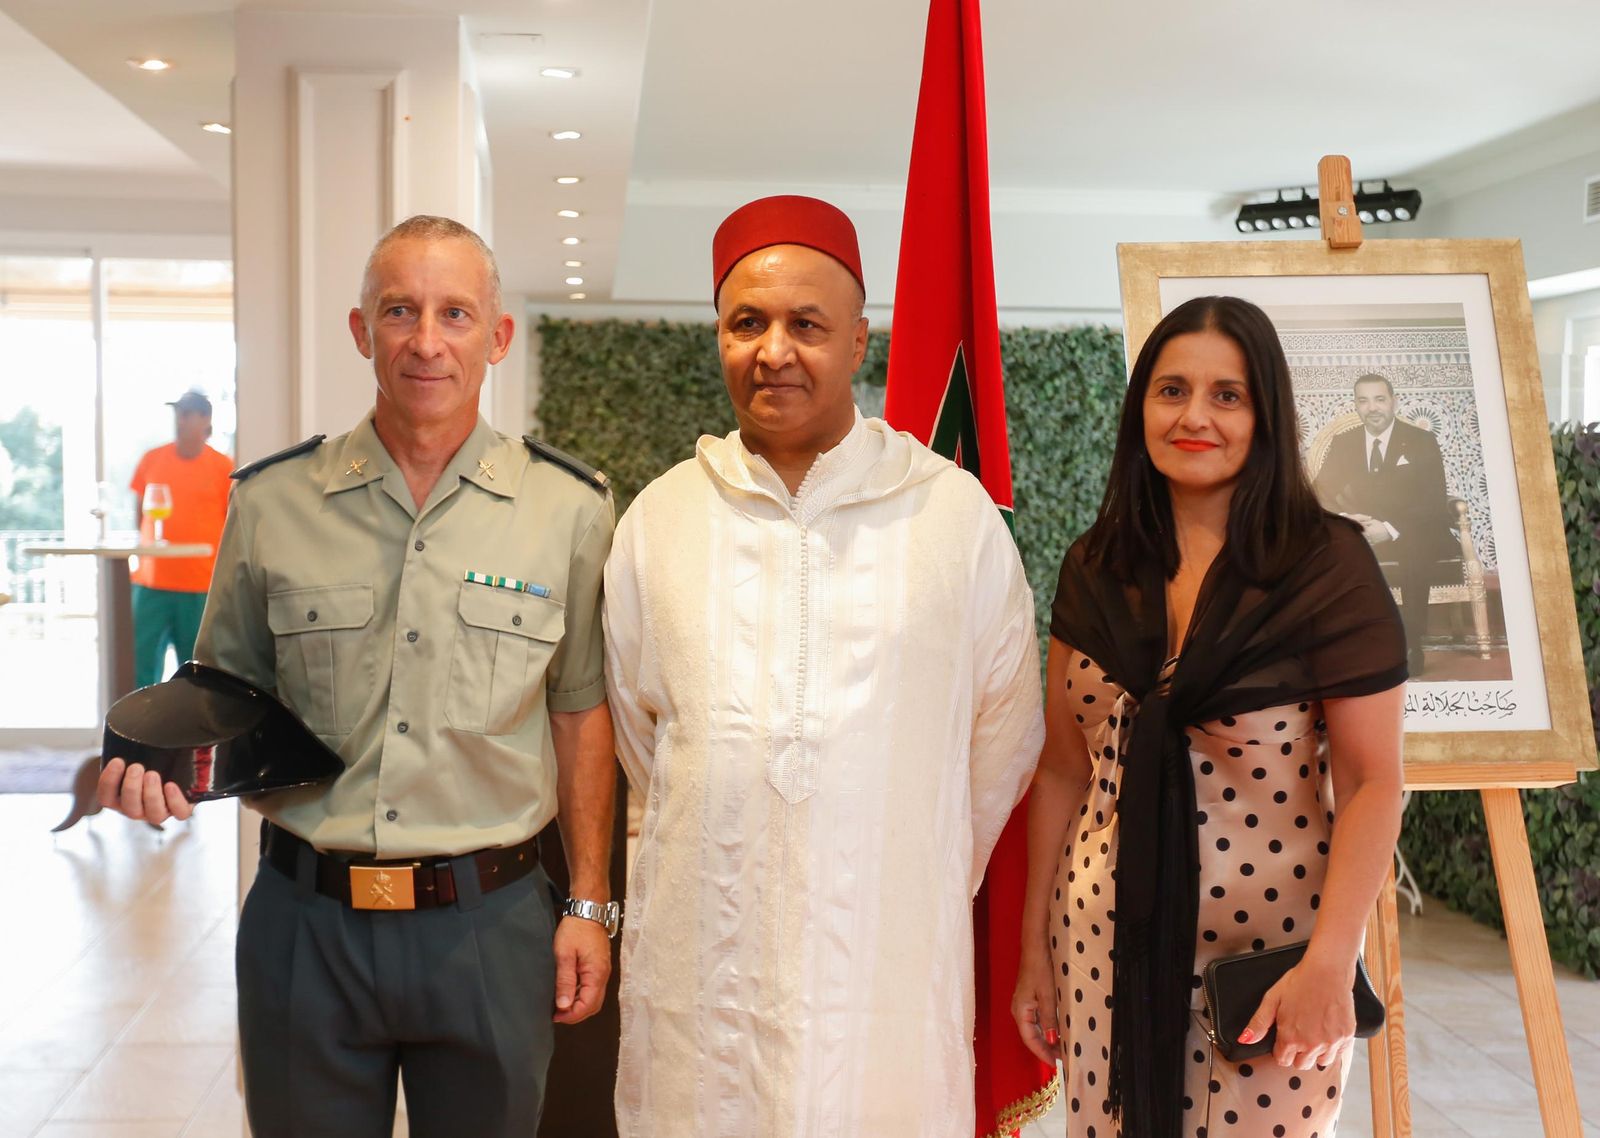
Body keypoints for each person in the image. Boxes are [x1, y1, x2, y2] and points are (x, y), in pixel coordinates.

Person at [96, 215, 619, 1138]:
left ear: (496, 337)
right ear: (359, 330)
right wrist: (162, 770)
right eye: (398, 311)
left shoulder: (569, 511)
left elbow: (581, 711)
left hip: (490, 929)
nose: (426, 340)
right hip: (307, 927)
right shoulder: (271, 502)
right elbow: (223, 692)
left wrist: (587, 902)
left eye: (455, 313)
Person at [603, 195, 1045, 1136]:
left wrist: (890, 845)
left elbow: (1003, 734)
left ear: (859, 340)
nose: (774, 351)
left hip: (885, 951)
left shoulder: (952, 516)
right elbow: (646, 740)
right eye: (746, 323)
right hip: (704, 959)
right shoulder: (661, 519)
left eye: (807, 324)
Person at [1011, 297, 1407, 1138]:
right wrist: (1032, 952)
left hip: (1269, 963)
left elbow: (1374, 783)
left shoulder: (1325, 567)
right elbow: (1060, 771)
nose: (1195, 416)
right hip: (1101, 948)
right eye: (1171, 390)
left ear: (1265, 413)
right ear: (1140, 409)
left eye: (1227, 395)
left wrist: (1334, 962)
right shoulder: (1098, 563)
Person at [1312, 372, 1455, 676]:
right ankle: (1342, 643)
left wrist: (1388, 528)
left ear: (1394, 402)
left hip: (1414, 529)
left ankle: (1410, 642)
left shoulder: (1421, 440)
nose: (1372, 407)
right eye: (1363, 400)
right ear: (1356, 405)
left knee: (1414, 548)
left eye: (1379, 399)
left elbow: (1432, 500)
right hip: (1361, 531)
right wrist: (1348, 521)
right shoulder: (1344, 443)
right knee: (1326, 545)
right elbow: (1319, 492)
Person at [128, 389, 234, 687]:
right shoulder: (152, 459)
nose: (181, 420)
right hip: (151, 583)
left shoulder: (223, 467)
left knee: (197, 672)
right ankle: (140, 728)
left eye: (188, 414)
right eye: (179, 413)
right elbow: (140, 513)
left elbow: (232, 525)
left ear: (206, 420)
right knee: (141, 665)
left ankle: (191, 732)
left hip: (199, 586)